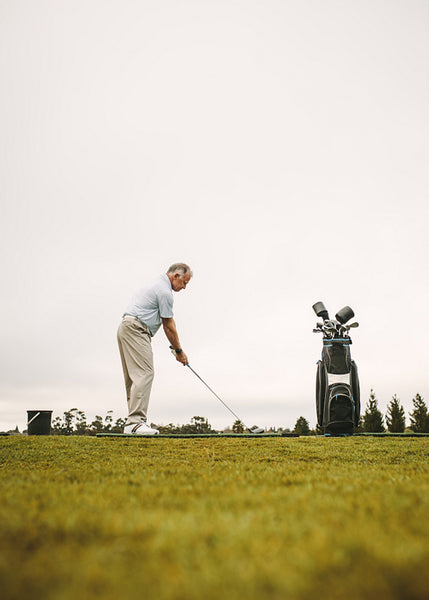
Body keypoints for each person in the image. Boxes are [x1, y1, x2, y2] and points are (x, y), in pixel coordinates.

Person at [117, 263, 192, 435]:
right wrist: (179, 352)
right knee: (145, 373)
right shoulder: (165, 292)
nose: (184, 287)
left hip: (126, 327)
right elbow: (168, 325)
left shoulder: (156, 284)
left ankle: (132, 424)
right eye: (184, 283)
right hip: (136, 329)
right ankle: (135, 423)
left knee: (135, 377)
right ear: (176, 276)